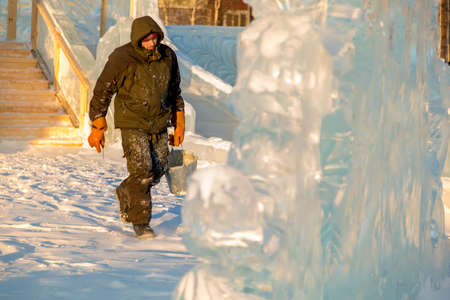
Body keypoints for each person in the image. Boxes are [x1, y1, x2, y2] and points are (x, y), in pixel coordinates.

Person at [87, 16, 185, 239]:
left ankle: (125, 190)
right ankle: (141, 223)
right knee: (142, 171)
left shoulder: (168, 56)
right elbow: (103, 90)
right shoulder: (122, 58)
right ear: (138, 39)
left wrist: (179, 123)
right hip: (132, 122)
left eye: (155, 38)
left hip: (158, 121)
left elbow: (174, 91)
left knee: (158, 169)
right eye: (147, 39)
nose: (152, 43)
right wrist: (97, 123)